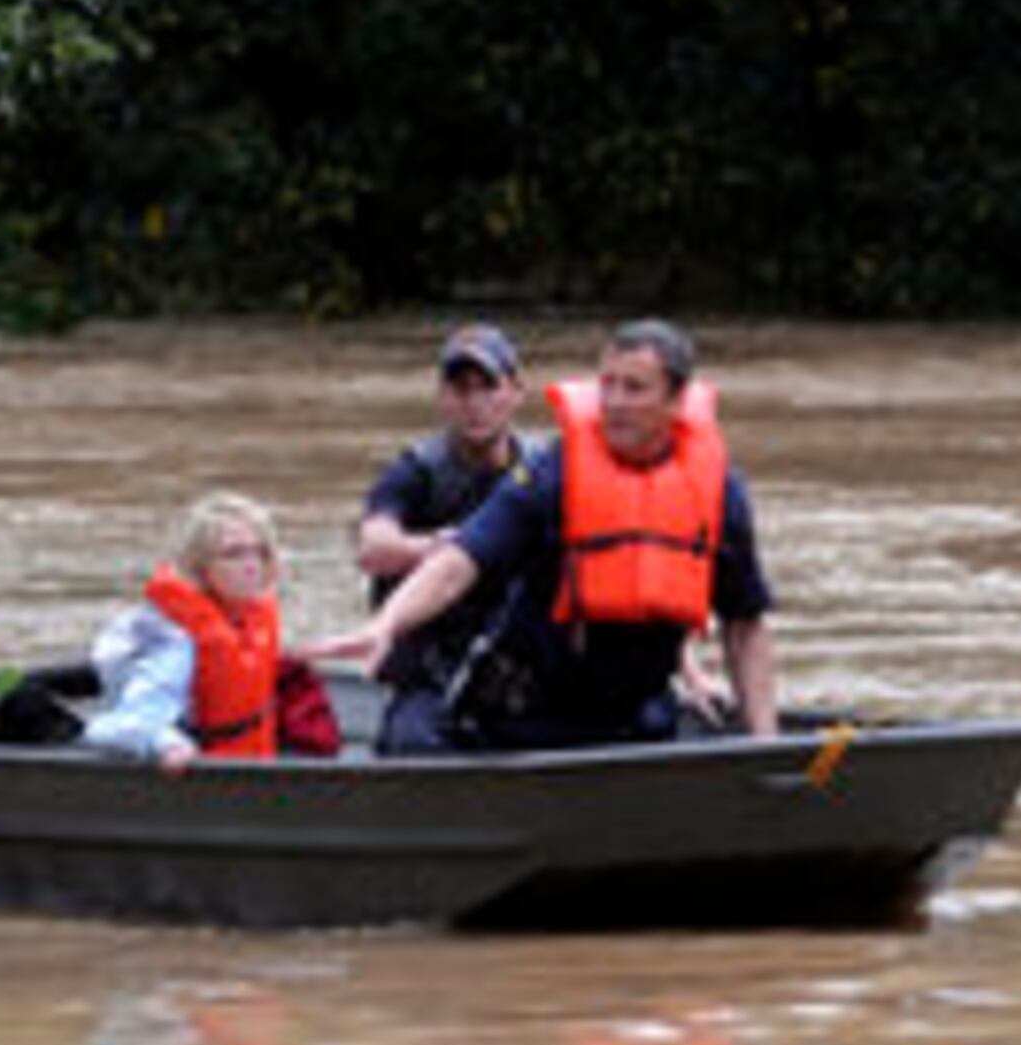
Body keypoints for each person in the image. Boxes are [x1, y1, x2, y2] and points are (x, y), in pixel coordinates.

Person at [315, 318, 780, 752]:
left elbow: (744, 624)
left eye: (634, 388)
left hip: (635, 714)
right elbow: (458, 564)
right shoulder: (551, 474)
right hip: (526, 717)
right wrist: (386, 624)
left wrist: (764, 745)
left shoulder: (719, 491)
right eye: (608, 385)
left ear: (677, 401)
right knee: (414, 742)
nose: (614, 402)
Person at [353, 322, 536, 755]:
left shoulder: (546, 468)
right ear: (443, 399)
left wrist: (691, 673)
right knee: (412, 745)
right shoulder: (416, 470)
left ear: (515, 392)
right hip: (434, 666)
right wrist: (448, 547)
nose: (475, 404)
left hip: (519, 662)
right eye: (460, 390)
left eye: (488, 387)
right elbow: (373, 548)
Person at [79, 492, 293, 767]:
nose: (252, 566)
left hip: (253, 762)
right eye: (234, 554)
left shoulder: (246, 618)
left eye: (260, 552)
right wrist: (167, 743)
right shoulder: (177, 643)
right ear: (200, 565)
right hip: (206, 776)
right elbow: (119, 727)